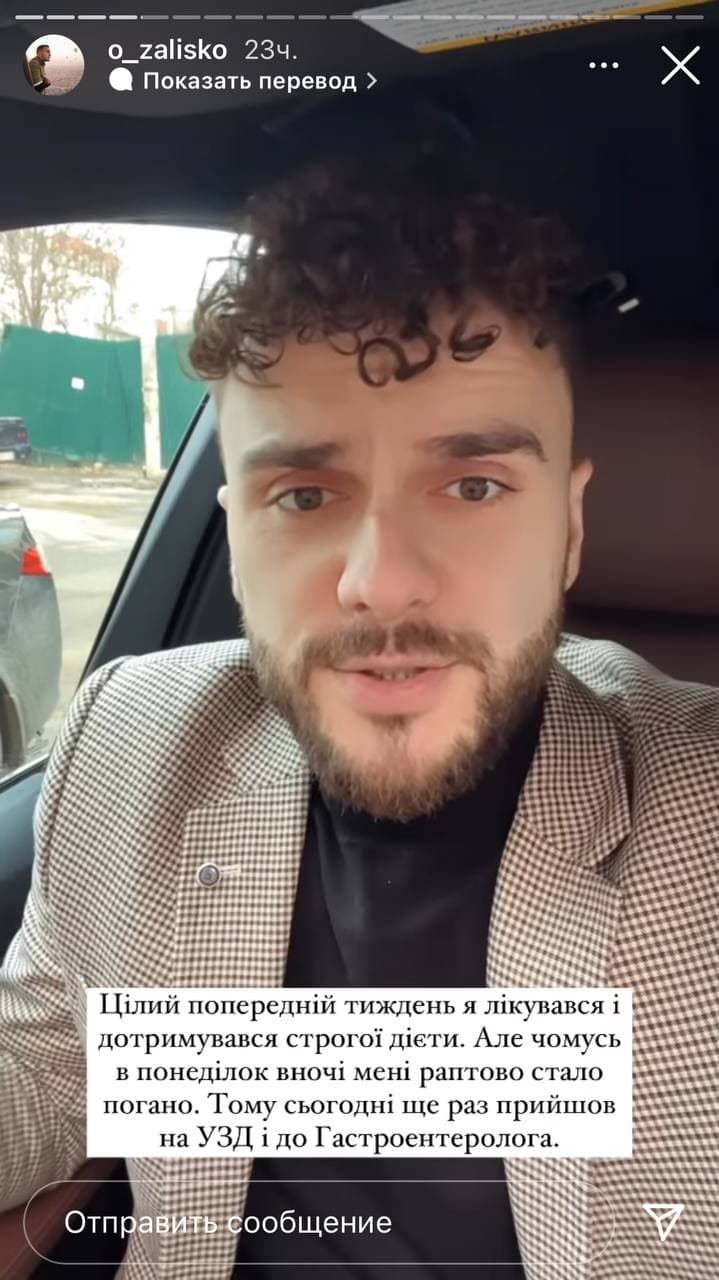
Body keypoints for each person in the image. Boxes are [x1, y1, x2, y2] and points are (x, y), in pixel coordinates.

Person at [0, 105, 716, 1280]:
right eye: (302, 496)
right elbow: (47, 1069)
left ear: (570, 526)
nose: (379, 580)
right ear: (235, 544)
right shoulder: (128, 736)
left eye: (472, 485)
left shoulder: (699, 811)